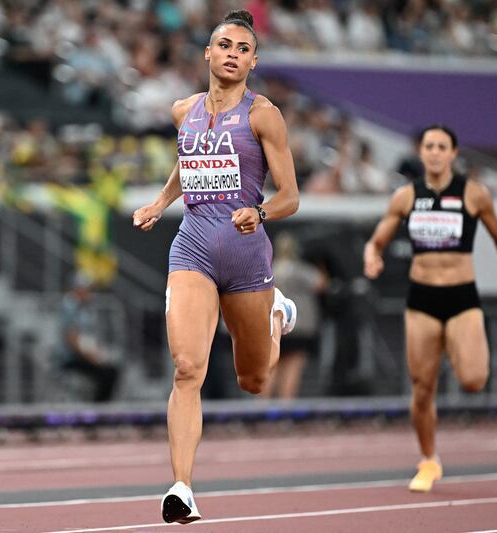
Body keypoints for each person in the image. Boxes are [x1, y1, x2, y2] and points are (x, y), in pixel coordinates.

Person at [131, 10, 299, 524]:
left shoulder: (263, 114)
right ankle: (182, 487)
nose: (232, 54)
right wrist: (161, 203)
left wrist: (261, 211)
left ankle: (276, 315)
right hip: (194, 249)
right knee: (187, 368)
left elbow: (291, 195)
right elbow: (189, 160)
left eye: (243, 48)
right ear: (207, 53)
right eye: (224, 45)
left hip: (247, 257)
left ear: (252, 60)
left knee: (255, 379)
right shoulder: (183, 111)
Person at [363, 124, 497, 493]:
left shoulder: (474, 194)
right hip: (421, 300)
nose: (434, 152)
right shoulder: (406, 197)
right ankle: (428, 460)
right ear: (421, 153)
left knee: (473, 380)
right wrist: (372, 256)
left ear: (454, 153)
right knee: (422, 389)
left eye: (441, 146)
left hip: (461, 298)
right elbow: (376, 241)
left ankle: (457, 346)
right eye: (428, 146)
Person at [261, 231, 325, 399]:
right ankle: (285, 408)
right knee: (292, 368)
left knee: (269, 366)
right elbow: (320, 283)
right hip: (300, 326)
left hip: (273, 324)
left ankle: (261, 409)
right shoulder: (302, 270)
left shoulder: (268, 269)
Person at [56, 272, 119, 403]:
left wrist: (100, 354)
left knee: (111, 369)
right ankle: (98, 412)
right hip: (71, 357)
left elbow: (89, 336)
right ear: (79, 289)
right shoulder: (69, 306)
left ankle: (100, 408)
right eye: (88, 289)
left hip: (84, 353)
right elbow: (72, 338)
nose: (91, 293)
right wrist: (93, 358)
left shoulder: (86, 308)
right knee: (107, 373)